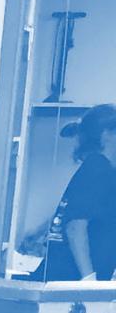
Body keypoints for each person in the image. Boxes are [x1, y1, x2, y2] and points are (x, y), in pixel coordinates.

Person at [41, 104, 116, 281]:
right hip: (71, 282)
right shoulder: (99, 168)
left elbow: (75, 213)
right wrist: (88, 281)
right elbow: (76, 227)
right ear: (107, 134)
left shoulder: (97, 169)